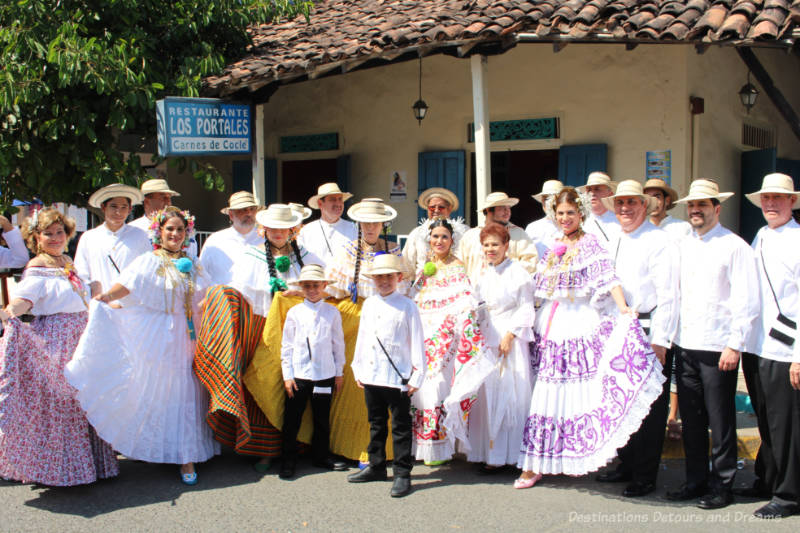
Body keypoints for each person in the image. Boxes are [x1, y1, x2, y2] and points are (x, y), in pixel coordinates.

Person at [515, 187, 664, 489]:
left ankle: (579, 455)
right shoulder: (554, 245)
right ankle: (536, 463)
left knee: (580, 393)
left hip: (580, 321)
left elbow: (609, 279)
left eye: (570, 212)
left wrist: (624, 309)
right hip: (553, 322)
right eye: (560, 213)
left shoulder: (592, 244)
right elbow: (539, 287)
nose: (565, 218)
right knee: (545, 391)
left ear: (581, 213)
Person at [66, 206, 219, 485]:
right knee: (165, 390)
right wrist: (102, 300)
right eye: (169, 229)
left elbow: (208, 295)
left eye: (180, 229)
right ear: (159, 232)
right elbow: (125, 286)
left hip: (191, 336)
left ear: (187, 234)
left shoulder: (194, 264)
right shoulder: (148, 261)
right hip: (160, 337)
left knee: (191, 390)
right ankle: (172, 453)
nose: (174, 234)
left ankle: (188, 453)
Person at [0, 208, 118, 486]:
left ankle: (91, 466)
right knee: (64, 402)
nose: (55, 237)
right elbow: (24, 300)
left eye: (59, 232)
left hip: (81, 336)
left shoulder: (66, 261)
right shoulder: (38, 267)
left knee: (85, 399)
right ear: (36, 238)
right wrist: (7, 313)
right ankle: (62, 469)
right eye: (48, 233)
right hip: (56, 338)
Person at [195, 203, 315, 471]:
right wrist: (215, 301)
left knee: (295, 388)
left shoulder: (307, 255)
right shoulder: (251, 256)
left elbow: (322, 286)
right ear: (265, 229)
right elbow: (237, 293)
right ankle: (265, 450)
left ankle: (297, 446)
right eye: (273, 228)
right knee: (264, 386)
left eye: (284, 228)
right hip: (260, 329)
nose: (278, 233)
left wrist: (301, 293)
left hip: (297, 332)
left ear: (293, 229)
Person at [666, 179, 759, 509]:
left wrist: (735, 344)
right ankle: (695, 481)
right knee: (692, 419)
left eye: (703, 205)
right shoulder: (682, 244)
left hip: (718, 347)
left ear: (716, 209)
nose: (695, 210)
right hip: (686, 342)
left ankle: (722, 485)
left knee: (720, 421)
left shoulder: (734, 246)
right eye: (692, 205)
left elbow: (746, 300)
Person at [595, 180, 679, 498]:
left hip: (647, 329)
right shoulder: (614, 238)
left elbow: (669, 295)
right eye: (620, 203)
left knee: (649, 407)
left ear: (644, 205)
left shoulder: (659, 240)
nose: (625, 208)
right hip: (617, 328)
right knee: (621, 399)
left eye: (632, 203)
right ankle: (626, 463)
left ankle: (645, 474)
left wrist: (661, 340)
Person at [410, 219, 493, 466]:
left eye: (444, 237)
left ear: (452, 240)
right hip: (424, 335)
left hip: (446, 337)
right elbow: (415, 299)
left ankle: (440, 446)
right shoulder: (425, 267)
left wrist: (450, 328)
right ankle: (421, 445)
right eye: (435, 237)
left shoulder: (458, 266)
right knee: (420, 388)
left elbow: (465, 300)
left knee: (437, 387)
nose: (439, 241)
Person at [743, 173, 800, 519]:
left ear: (792, 201)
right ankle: (768, 477)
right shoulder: (762, 235)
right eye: (766, 198)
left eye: (778, 198)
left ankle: (788, 494)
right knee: (765, 420)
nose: (771, 203)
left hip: (786, 347)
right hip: (758, 344)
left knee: (785, 424)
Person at [347, 253, 425, 498]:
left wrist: (417, 376)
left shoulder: (408, 306)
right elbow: (364, 338)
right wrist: (357, 367)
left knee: (401, 428)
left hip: (397, 377)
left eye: (389, 276)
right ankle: (377, 465)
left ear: (399, 277)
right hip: (372, 374)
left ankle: (403, 473)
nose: (384, 281)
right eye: (379, 277)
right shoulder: (369, 303)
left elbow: (417, 342)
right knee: (376, 424)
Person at [467, 223, 535, 472]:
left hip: (510, 337)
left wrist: (511, 334)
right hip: (487, 335)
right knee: (488, 394)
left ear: (507, 246)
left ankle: (511, 454)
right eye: (486, 245)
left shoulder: (519, 273)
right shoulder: (482, 273)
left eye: (495, 244)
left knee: (509, 394)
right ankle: (489, 453)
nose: (490, 249)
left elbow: (526, 307)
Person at [279, 264, 347, 479]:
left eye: (316, 285)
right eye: (307, 286)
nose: (312, 289)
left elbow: (338, 344)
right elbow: (287, 346)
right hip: (299, 375)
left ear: (324, 285)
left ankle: (321, 455)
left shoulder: (332, 312)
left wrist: (339, 372)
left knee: (321, 419)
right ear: (301, 287)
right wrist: (287, 375)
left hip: (325, 375)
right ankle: (288, 460)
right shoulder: (295, 312)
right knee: (292, 420)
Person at [643, 177, 689, 440]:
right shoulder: (638, 230)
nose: (653, 202)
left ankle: (671, 419)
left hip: (673, 311)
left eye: (657, 196)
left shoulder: (680, 229)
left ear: (667, 200)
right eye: (647, 197)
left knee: (669, 373)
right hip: (644, 317)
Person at [74, 183, 150, 297]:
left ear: (129, 209)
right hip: (99, 303)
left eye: (123, 207)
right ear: (103, 207)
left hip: (131, 306)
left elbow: (147, 270)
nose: (118, 212)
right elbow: (81, 273)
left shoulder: (139, 236)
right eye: (113, 206)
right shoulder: (89, 237)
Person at [326, 198, 408, 300]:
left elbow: (405, 286)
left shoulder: (393, 249)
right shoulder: (348, 251)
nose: (371, 228)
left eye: (376, 223)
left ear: (383, 225)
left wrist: (423, 277)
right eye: (366, 223)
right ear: (360, 224)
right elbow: (332, 290)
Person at [457, 192, 538, 281]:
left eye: (508, 208)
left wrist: (507, 273)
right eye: (502, 208)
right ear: (488, 210)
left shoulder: (519, 234)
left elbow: (531, 262)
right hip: (475, 291)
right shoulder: (470, 236)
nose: (507, 212)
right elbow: (459, 265)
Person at [199, 191, 263, 286]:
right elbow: (201, 275)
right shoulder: (215, 241)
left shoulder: (265, 239)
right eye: (243, 209)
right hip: (223, 298)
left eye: (252, 209)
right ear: (231, 215)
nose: (249, 213)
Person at [402, 187, 468, 274]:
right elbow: (407, 266)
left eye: (441, 207)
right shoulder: (417, 233)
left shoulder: (464, 232)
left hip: (455, 281)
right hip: (424, 282)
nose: (436, 211)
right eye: (432, 208)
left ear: (450, 209)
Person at [130, 178, 197, 257]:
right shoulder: (134, 229)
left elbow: (191, 255)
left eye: (169, 198)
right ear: (147, 202)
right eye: (163, 198)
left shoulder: (183, 227)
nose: (168, 202)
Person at [297, 183, 356, 269]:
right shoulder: (306, 231)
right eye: (332, 199)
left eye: (340, 199)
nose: (338, 203)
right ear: (320, 204)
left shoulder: (353, 229)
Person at [577, 172, 620, 249]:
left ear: (610, 193)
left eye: (597, 189)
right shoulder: (579, 221)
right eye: (589, 190)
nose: (592, 193)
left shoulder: (620, 220)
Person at [525, 180, 563, 257]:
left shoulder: (571, 226)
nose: (548, 203)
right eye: (545, 199)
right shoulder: (532, 228)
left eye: (553, 199)